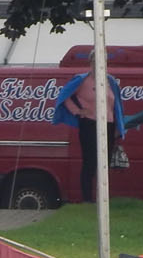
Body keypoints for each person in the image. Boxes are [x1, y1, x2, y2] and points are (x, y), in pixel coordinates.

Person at [51, 71, 128, 203]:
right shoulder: (82, 80)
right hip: (89, 123)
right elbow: (65, 97)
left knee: (105, 162)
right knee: (90, 162)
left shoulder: (110, 81)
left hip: (108, 124)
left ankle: (102, 198)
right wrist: (77, 111)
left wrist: (117, 127)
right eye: (94, 60)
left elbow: (116, 106)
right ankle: (87, 198)